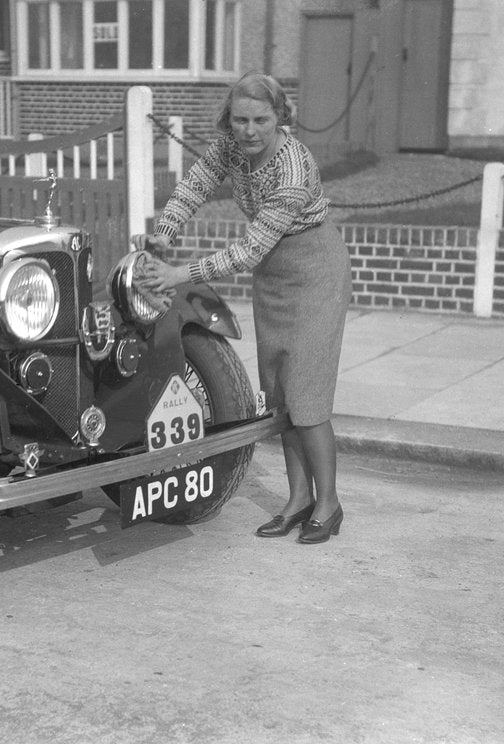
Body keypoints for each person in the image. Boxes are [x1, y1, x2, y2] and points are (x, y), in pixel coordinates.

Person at [137, 71, 352, 545]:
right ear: (228, 120)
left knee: (308, 395)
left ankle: (329, 504)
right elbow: (195, 185)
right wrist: (165, 231)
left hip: (314, 269)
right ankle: (298, 501)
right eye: (239, 120)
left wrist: (179, 275)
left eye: (260, 119)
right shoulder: (230, 147)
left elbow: (248, 251)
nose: (249, 130)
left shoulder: (294, 169)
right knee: (278, 394)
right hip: (272, 273)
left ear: (280, 118)